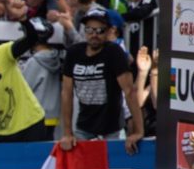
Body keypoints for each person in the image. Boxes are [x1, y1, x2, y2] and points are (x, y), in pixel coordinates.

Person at [59, 8, 143, 155]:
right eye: (89, 30)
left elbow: (129, 92)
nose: (94, 35)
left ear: (109, 31)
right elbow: (66, 93)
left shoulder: (114, 52)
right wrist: (67, 132)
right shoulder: (74, 53)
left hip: (112, 128)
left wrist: (138, 131)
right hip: (83, 127)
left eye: (100, 31)